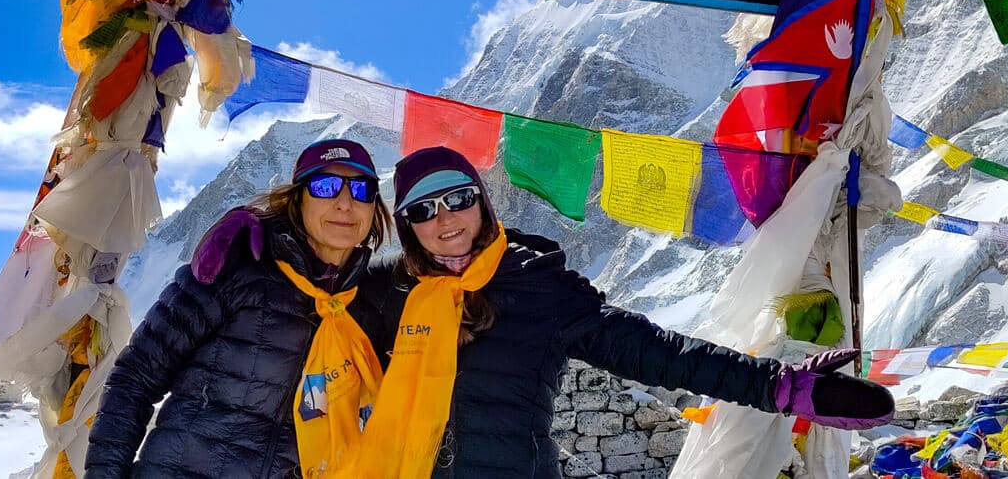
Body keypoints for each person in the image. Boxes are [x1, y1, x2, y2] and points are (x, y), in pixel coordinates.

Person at [357, 147, 895, 479]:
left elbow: (651, 351)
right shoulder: (388, 291)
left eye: (457, 198)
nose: (443, 218)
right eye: (422, 210)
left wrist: (775, 386)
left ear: (482, 201)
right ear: (407, 227)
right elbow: (300, 318)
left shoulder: (539, 287)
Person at [86, 140, 393, 478]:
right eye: (326, 186)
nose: (345, 203)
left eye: (362, 190)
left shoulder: (368, 307)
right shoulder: (237, 266)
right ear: (297, 198)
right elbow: (136, 377)